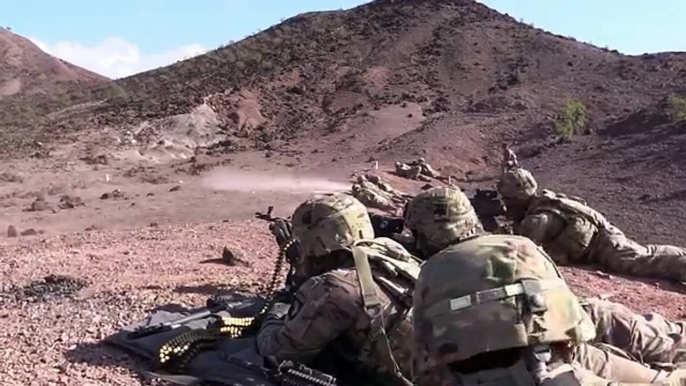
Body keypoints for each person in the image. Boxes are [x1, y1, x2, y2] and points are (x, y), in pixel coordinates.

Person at [403, 187, 686, 381]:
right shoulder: (521, 245)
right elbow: (575, 328)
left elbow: (424, 368)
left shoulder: (430, 273)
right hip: (557, 365)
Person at [256, 193, 421, 386]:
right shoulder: (394, 255)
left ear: (316, 241)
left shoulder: (334, 286)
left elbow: (276, 352)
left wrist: (277, 309)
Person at [496, 166, 686, 283]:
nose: (505, 204)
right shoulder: (543, 202)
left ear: (517, 198)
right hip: (600, 240)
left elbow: (520, 250)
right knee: (645, 254)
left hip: (603, 243)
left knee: (637, 262)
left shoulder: (537, 218)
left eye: (507, 199)